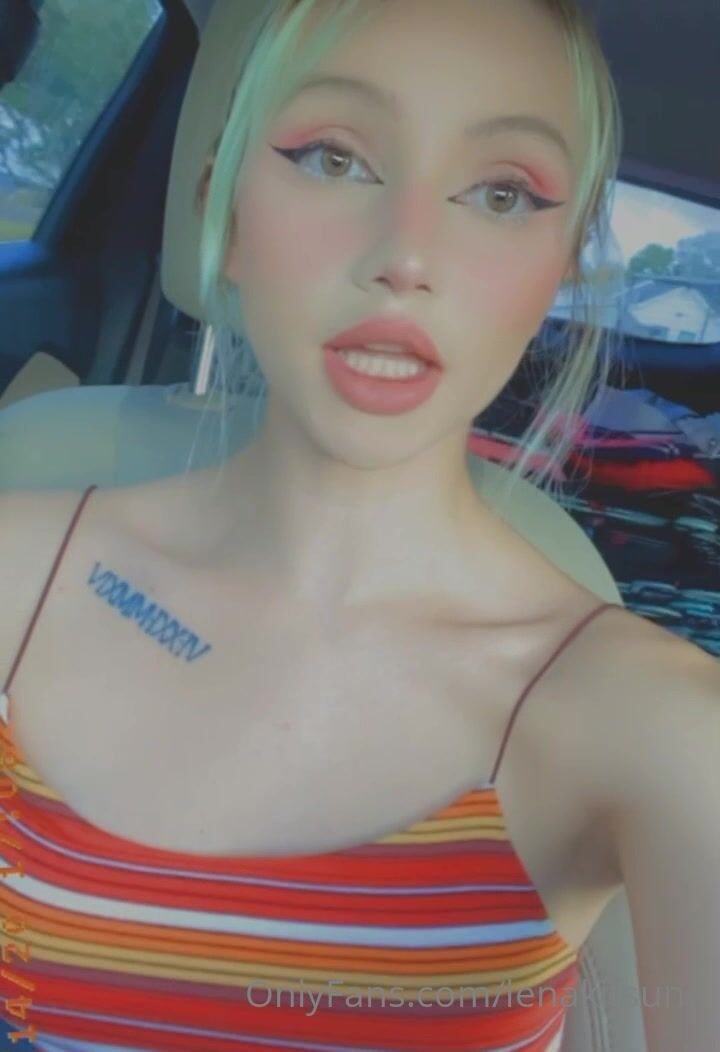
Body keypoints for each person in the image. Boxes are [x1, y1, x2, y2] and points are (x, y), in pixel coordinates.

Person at [1, 2, 717, 1050]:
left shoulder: (658, 726)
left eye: (501, 193)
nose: (406, 254)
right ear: (223, 210)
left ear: (562, 264)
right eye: (334, 158)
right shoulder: (17, 570)